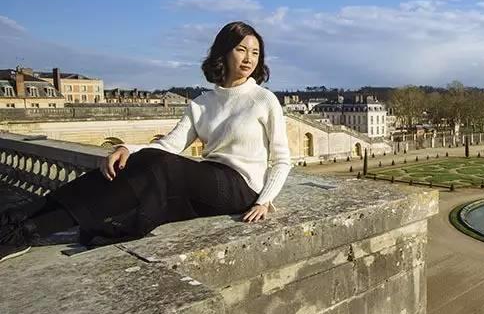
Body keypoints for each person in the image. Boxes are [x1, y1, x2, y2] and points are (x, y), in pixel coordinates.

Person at [0, 21, 292, 262]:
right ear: (223, 54)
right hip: (210, 180)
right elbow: (168, 146)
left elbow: (281, 159)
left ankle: (27, 231)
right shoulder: (203, 103)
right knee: (136, 165)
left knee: (160, 167)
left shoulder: (263, 100)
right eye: (241, 50)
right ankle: (21, 219)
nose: (249, 59)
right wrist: (127, 148)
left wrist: (265, 201)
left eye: (255, 52)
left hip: (242, 187)